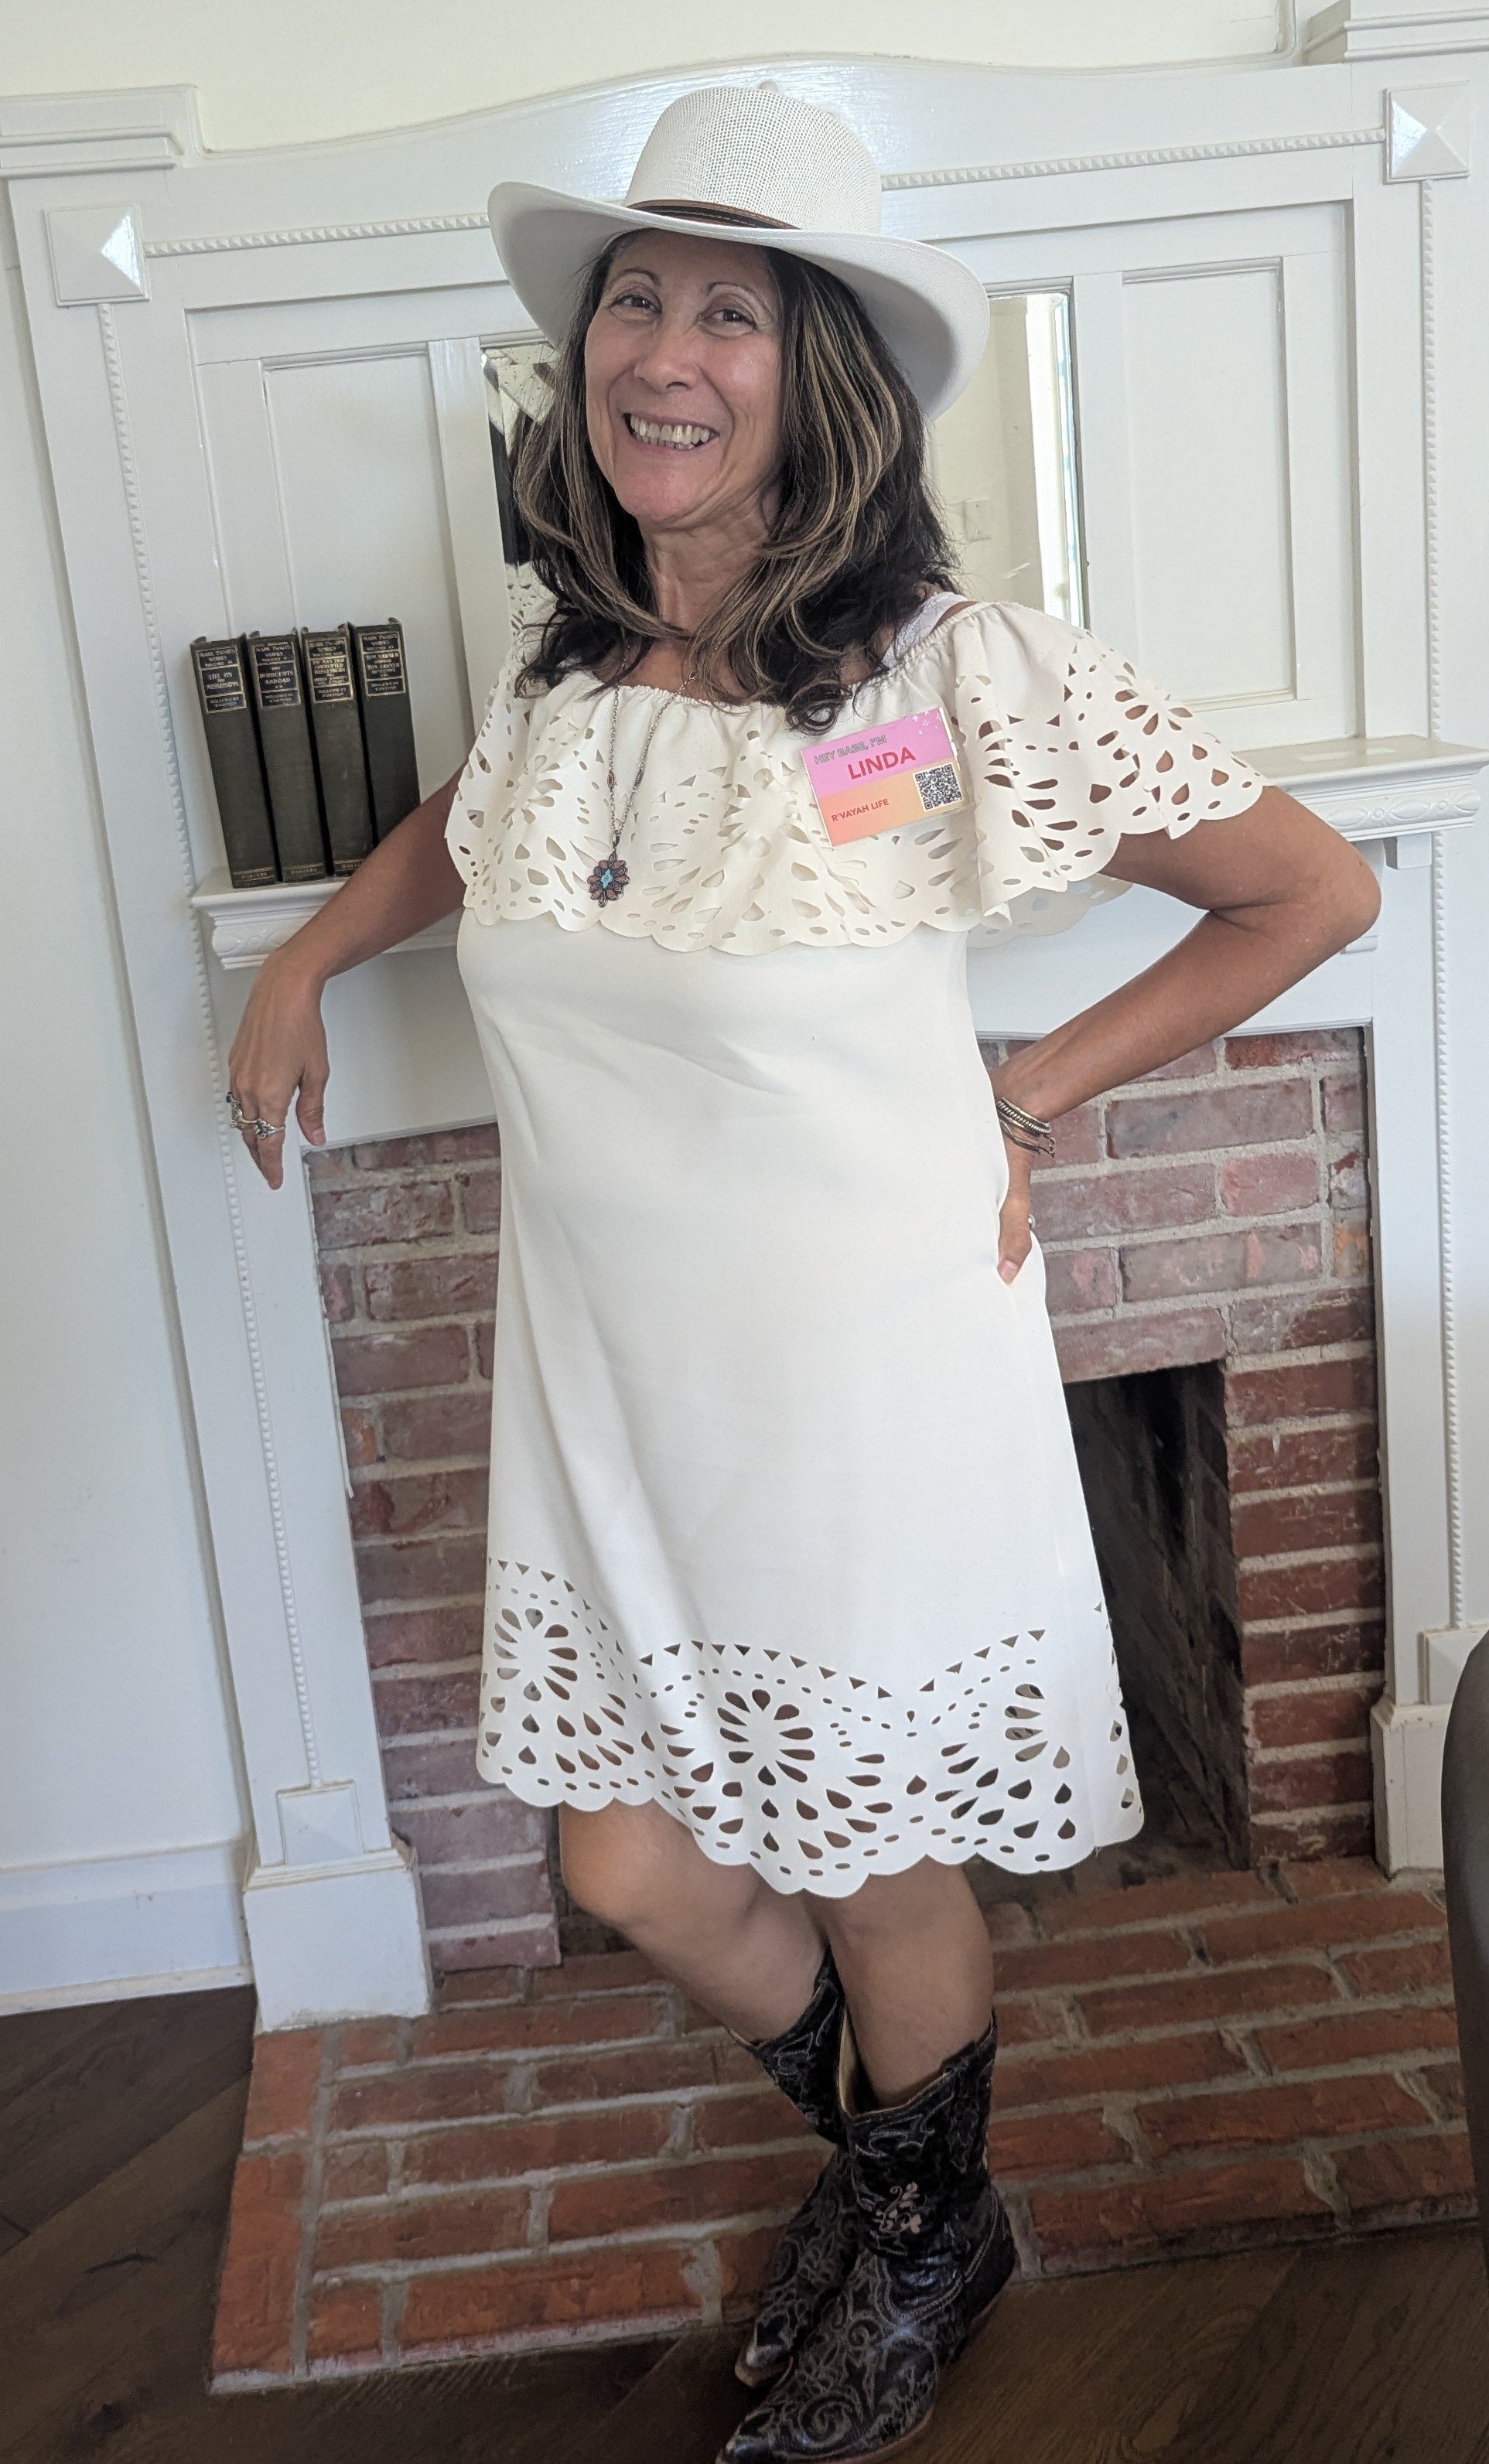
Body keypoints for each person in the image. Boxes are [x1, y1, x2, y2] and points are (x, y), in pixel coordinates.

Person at [226, 80, 1381, 2464]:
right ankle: (904, 2174)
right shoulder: (565, 680)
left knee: (865, 1847)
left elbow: (1312, 890)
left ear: (821, 369)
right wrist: (311, 956)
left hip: (861, 1370)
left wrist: (1036, 1090)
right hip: (611, 1389)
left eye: (727, 313)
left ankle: (924, 2235)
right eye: (632, 299)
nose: (663, 352)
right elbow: (472, 834)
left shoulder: (949, 678)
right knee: (630, 1857)